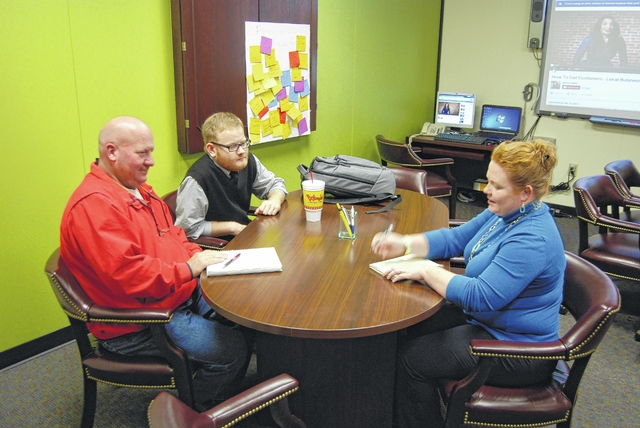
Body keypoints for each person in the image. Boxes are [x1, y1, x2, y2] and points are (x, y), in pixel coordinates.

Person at [60, 116, 251, 411]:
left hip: (175, 294)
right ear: (111, 152)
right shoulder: (94, 206)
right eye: (142, 153)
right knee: (235, 350)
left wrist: (198, 258)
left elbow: (174, 236)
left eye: (151, 152)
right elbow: (128, 276)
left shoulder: (140, 191)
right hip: (144, 320)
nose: (151, 162)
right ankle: (190, 410)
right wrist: (190, 268)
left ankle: (222, 391)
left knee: (245, 310)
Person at [371, 139, 565, 428]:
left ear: (525, 193)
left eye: (496, 186)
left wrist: (425, 269)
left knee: (413, 360)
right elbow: (456, 239)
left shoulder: (532, 238)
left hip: (519, 350)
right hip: (491, 324)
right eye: (488, 181)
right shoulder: (506, 212)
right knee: (404, 330)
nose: (486, 190)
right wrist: (405, 244)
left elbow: (481, 296)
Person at [175, 112, 287, 241]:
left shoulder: (247, 161)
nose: (241, 151)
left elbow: (275, 184)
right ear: (212, 149)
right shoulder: (197, 180)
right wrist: (231, 227)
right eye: (232, 146)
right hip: (216, 249)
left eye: (244, 143)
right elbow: (187, 229)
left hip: (243, 237)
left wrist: (275, 200)